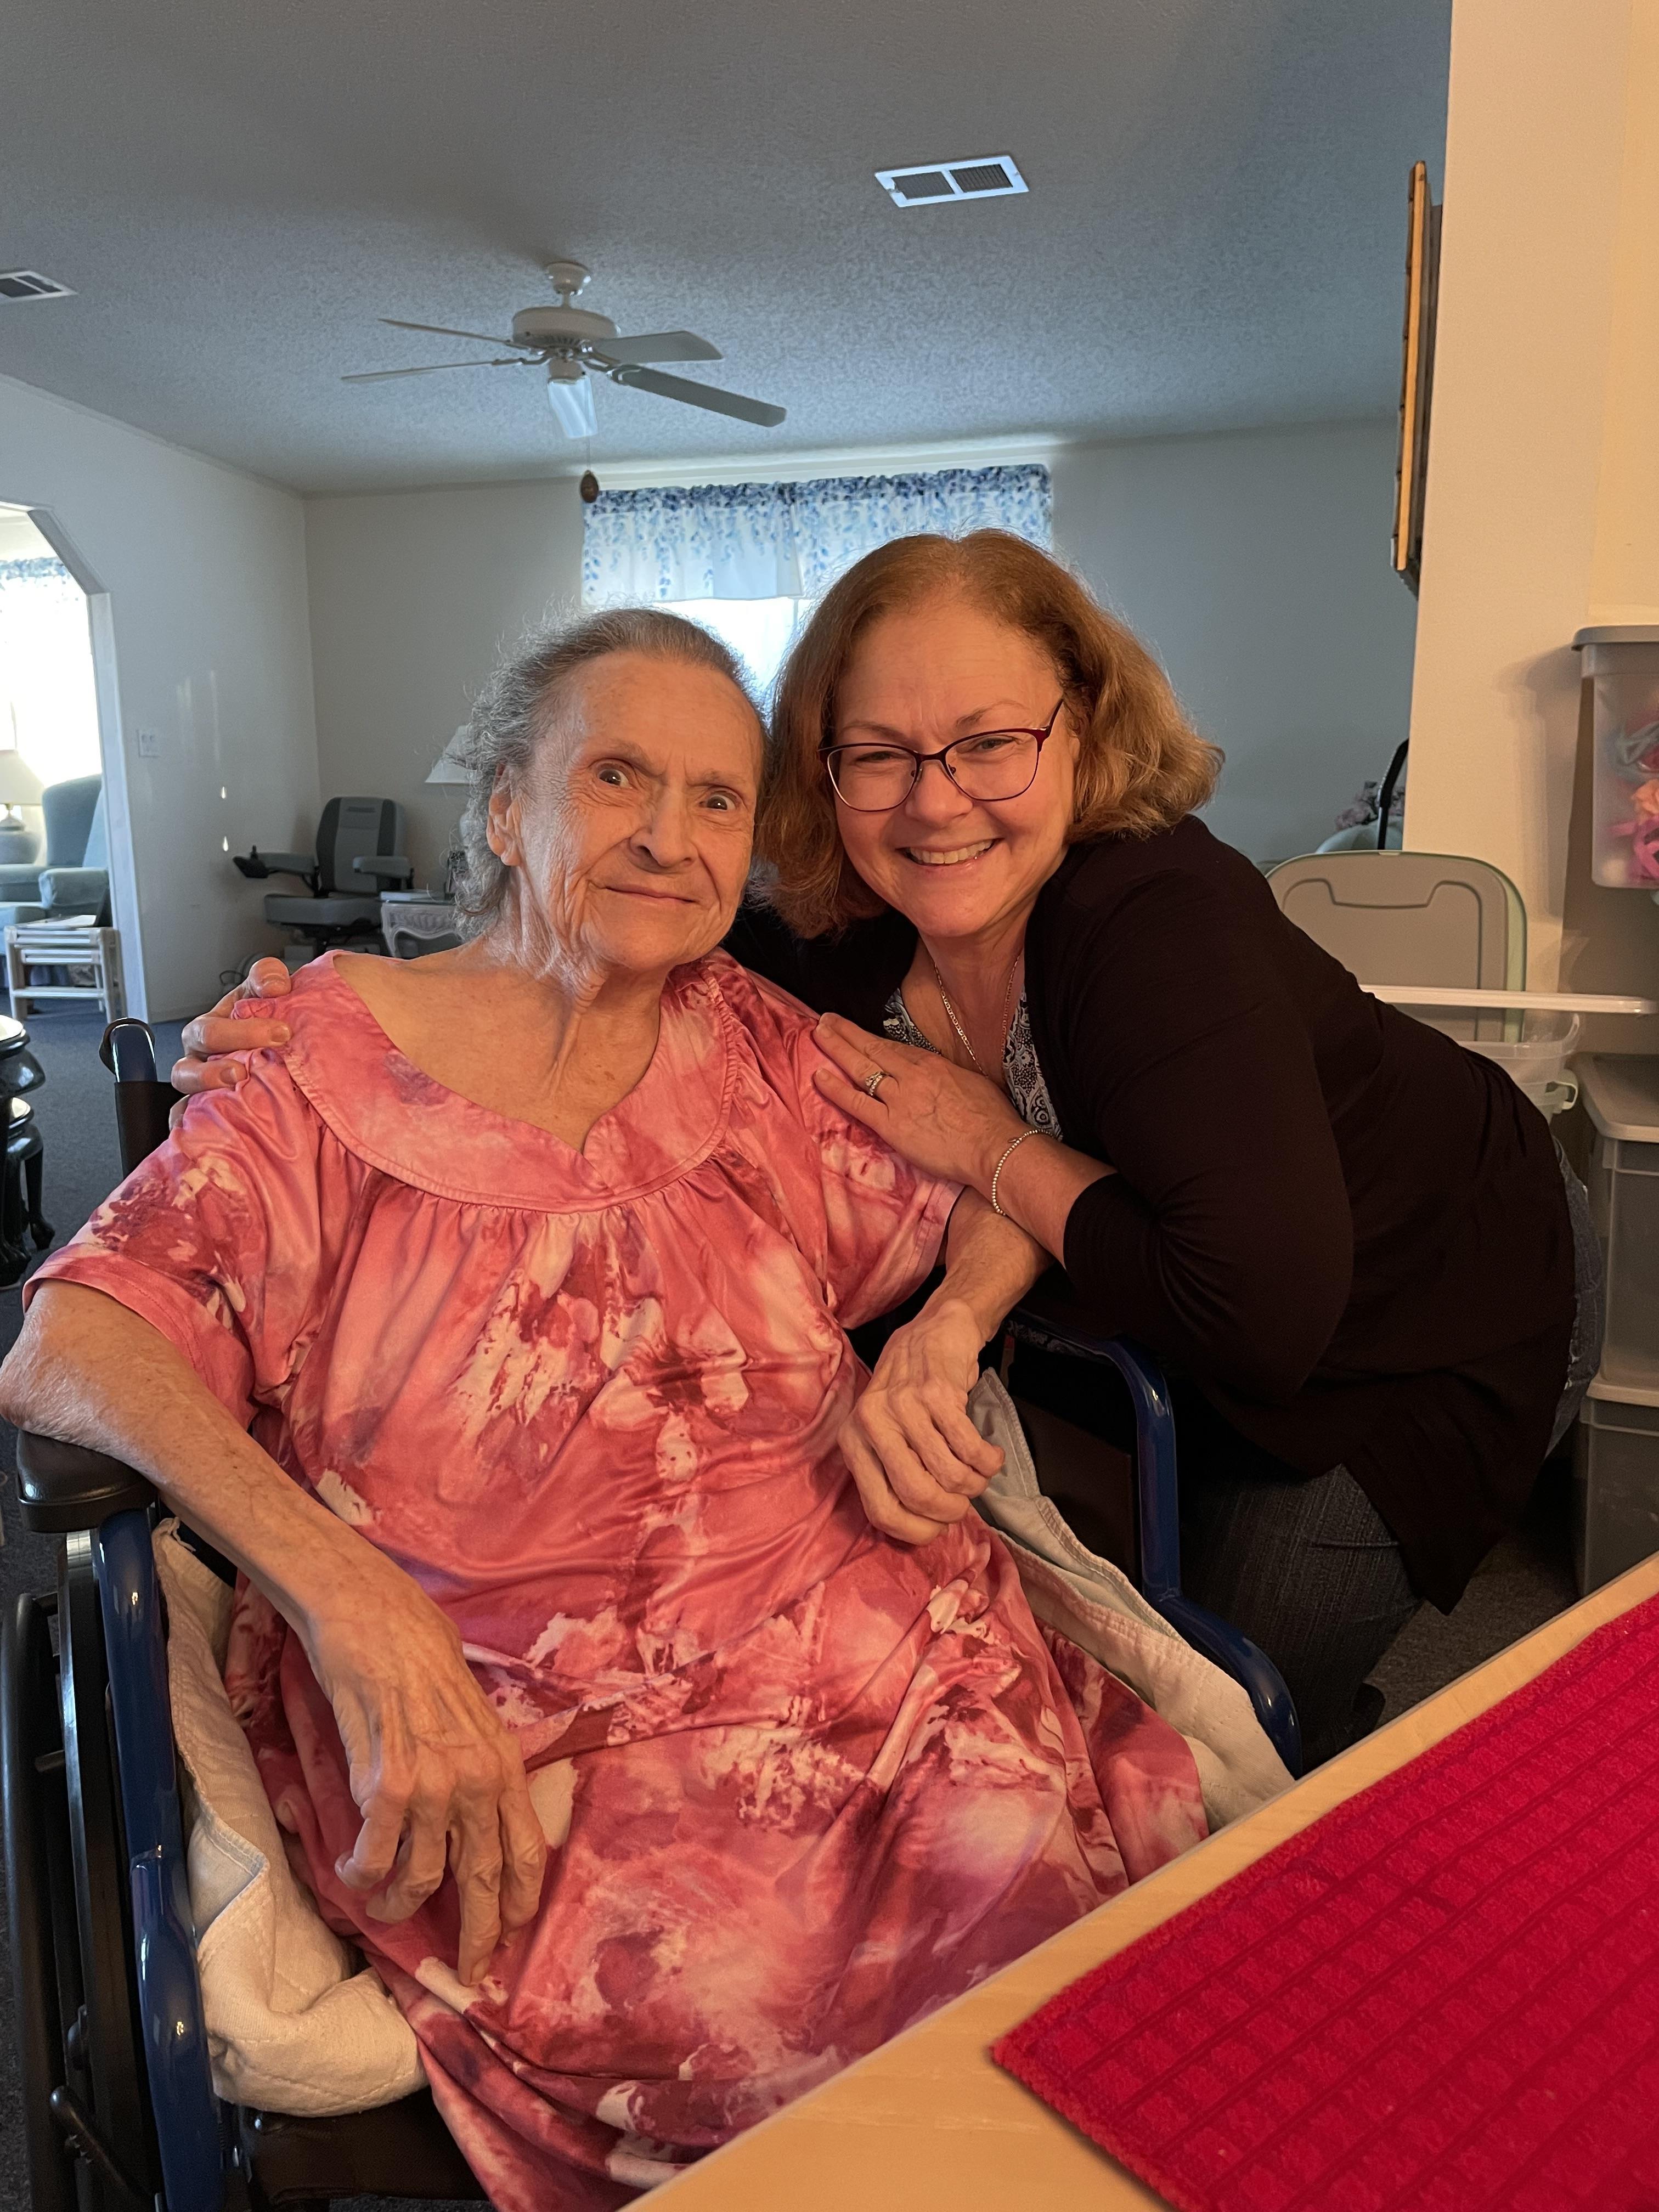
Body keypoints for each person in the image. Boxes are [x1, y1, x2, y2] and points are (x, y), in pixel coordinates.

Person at [3, 609, 1209, 2212]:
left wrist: (942, 1340)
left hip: (869, 1641)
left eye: (719, 800)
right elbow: (72, 1342)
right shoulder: (314, 1070)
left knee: (1069, 1986)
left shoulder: (769, 1045)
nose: (673, 835)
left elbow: (991, 1162)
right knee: (750, 2036)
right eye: (621, 776)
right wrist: (345, 1595)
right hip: (509, 1698)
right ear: (508, 811)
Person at [176, 535, 1601, 1768]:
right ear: (824, 769)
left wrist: (984, 1160)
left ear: (1082, 730)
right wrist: (343, 1009)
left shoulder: (1160, 923)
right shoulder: (825, 931)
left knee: (1221, 1708)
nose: (934, 801)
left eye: (989, 742)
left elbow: (1259, 1315)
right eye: (877, 754)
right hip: (1160, 1301)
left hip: (1415, 1312)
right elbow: (612, 922)